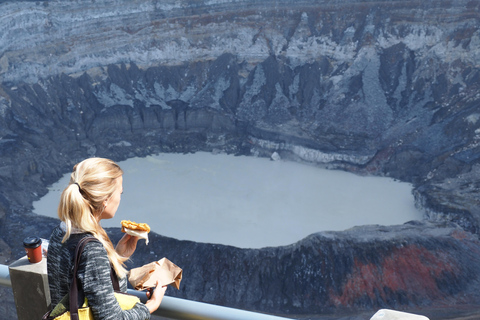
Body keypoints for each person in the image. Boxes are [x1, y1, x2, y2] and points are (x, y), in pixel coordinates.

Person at [47, 157, 166, 319]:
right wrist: (152, 305)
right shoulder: (91, 248)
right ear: (105, 200)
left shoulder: (60, 233)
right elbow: (111, 318)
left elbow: (104, 294)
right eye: (120, 192)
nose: (120, 198)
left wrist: (118, 258)